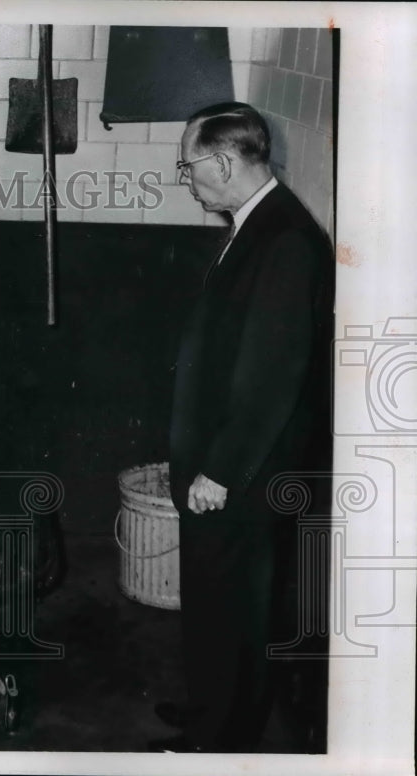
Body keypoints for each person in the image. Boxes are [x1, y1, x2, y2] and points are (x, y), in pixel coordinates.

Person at [152, 102, 334, 752]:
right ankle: (209, 710)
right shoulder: (256, 226)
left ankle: (224, 741)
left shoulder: (284, 240)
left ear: (224, 161)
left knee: (236, 607)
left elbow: (272, 375)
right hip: (221, 461)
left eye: (188, 165)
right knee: (210, 595)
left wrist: (222, 469)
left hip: (242, 471)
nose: (186, 178)